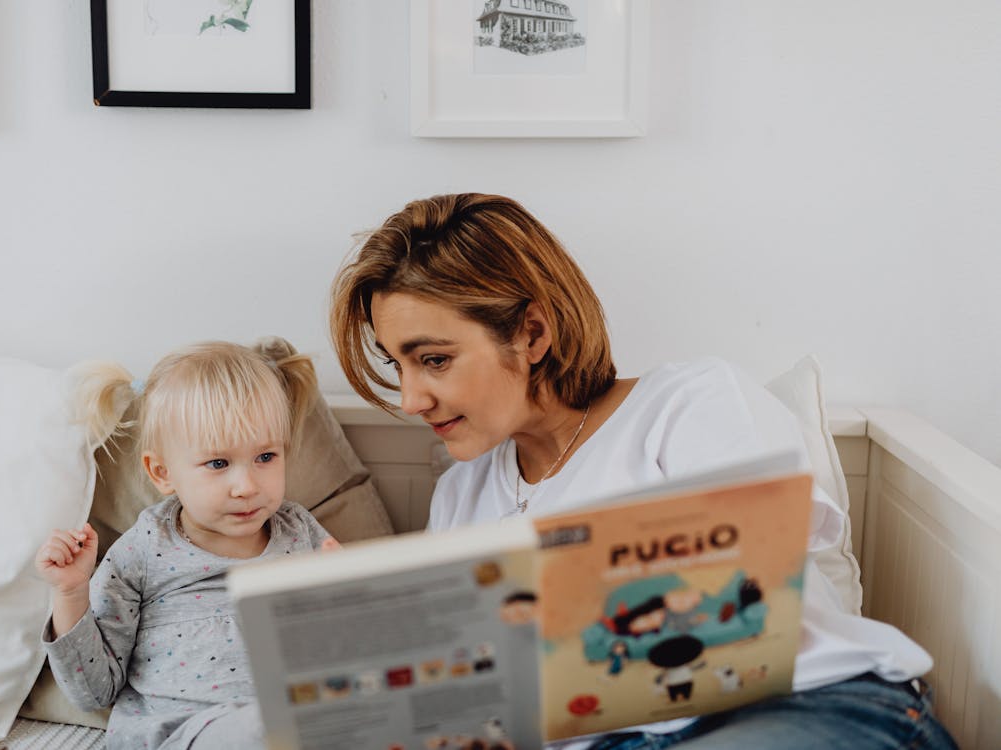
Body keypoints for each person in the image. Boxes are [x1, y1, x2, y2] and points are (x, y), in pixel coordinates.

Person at [329, 193, 958, 749]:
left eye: (433, 360)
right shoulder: (460, 497)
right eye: (397, 366)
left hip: (792, 707)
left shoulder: (691, 402)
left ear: (533, 333)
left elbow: (748, 594)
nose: (410, 399)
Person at [35, 341, 340, 750]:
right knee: (264, 729)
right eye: (218, 464)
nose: (247, 486)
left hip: (291, 723)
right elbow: (94, 692)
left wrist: (343, 597)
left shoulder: (300, 533)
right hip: (179, 733)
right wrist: (71, 593)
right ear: (162, 472)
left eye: (266, 456)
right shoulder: (142, 552)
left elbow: (343, 652)